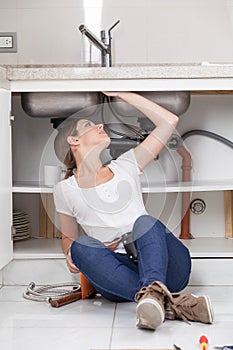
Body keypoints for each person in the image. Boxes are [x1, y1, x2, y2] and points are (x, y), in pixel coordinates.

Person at [53, 91, 214, 331]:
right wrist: (71, 255)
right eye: (88, 125)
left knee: (144, 223)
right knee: (80, 247)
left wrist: (123, 94)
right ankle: (162, 301)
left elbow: (169, 121)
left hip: (169, 266)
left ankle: (155, 294)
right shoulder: (65, 189)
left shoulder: (127, 165)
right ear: (73, 141)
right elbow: (69, 238)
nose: (99, 125)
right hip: (119, 274)